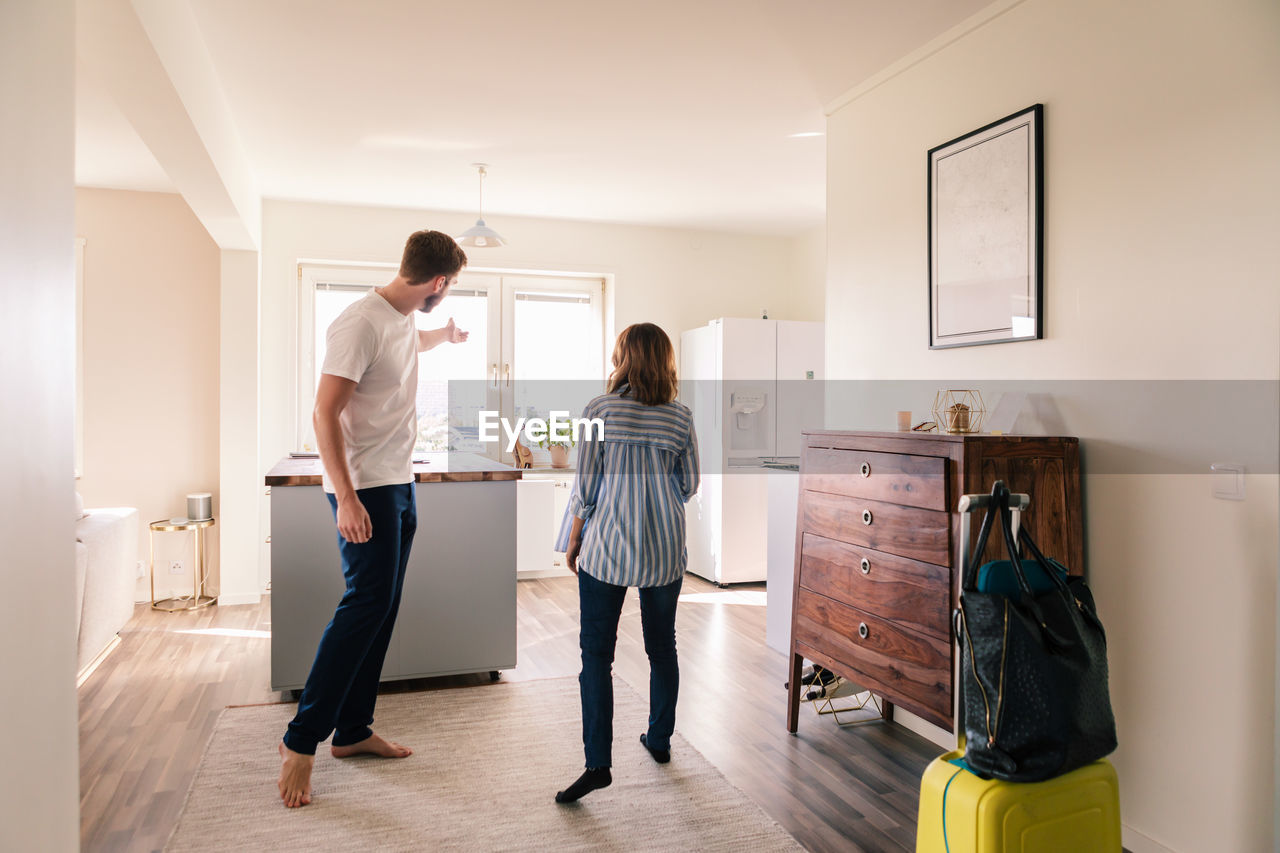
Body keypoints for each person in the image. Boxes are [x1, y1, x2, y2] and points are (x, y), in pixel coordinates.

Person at [278, 230, 469, 808]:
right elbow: (323, 411)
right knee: (363, 606)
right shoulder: (360, 322)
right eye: (451, 285)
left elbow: (413, 343)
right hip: (367, 489)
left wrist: (448, 335)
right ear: (438, 282)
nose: (448, 292)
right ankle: (300, 741)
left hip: (399, 483)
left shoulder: (403, 319)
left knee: (381, 607)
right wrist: (348, 497)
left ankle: (353, 731)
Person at [553, 322, 700, 803]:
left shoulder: (599, 410)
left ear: (624, 358)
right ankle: (659, 741)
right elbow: (689, 485)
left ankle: (598, 762)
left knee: (596, 655)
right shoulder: (680, 417)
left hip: (607, 548)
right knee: (663, 647)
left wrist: (574, 541)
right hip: (663, 550)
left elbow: (586, 487)